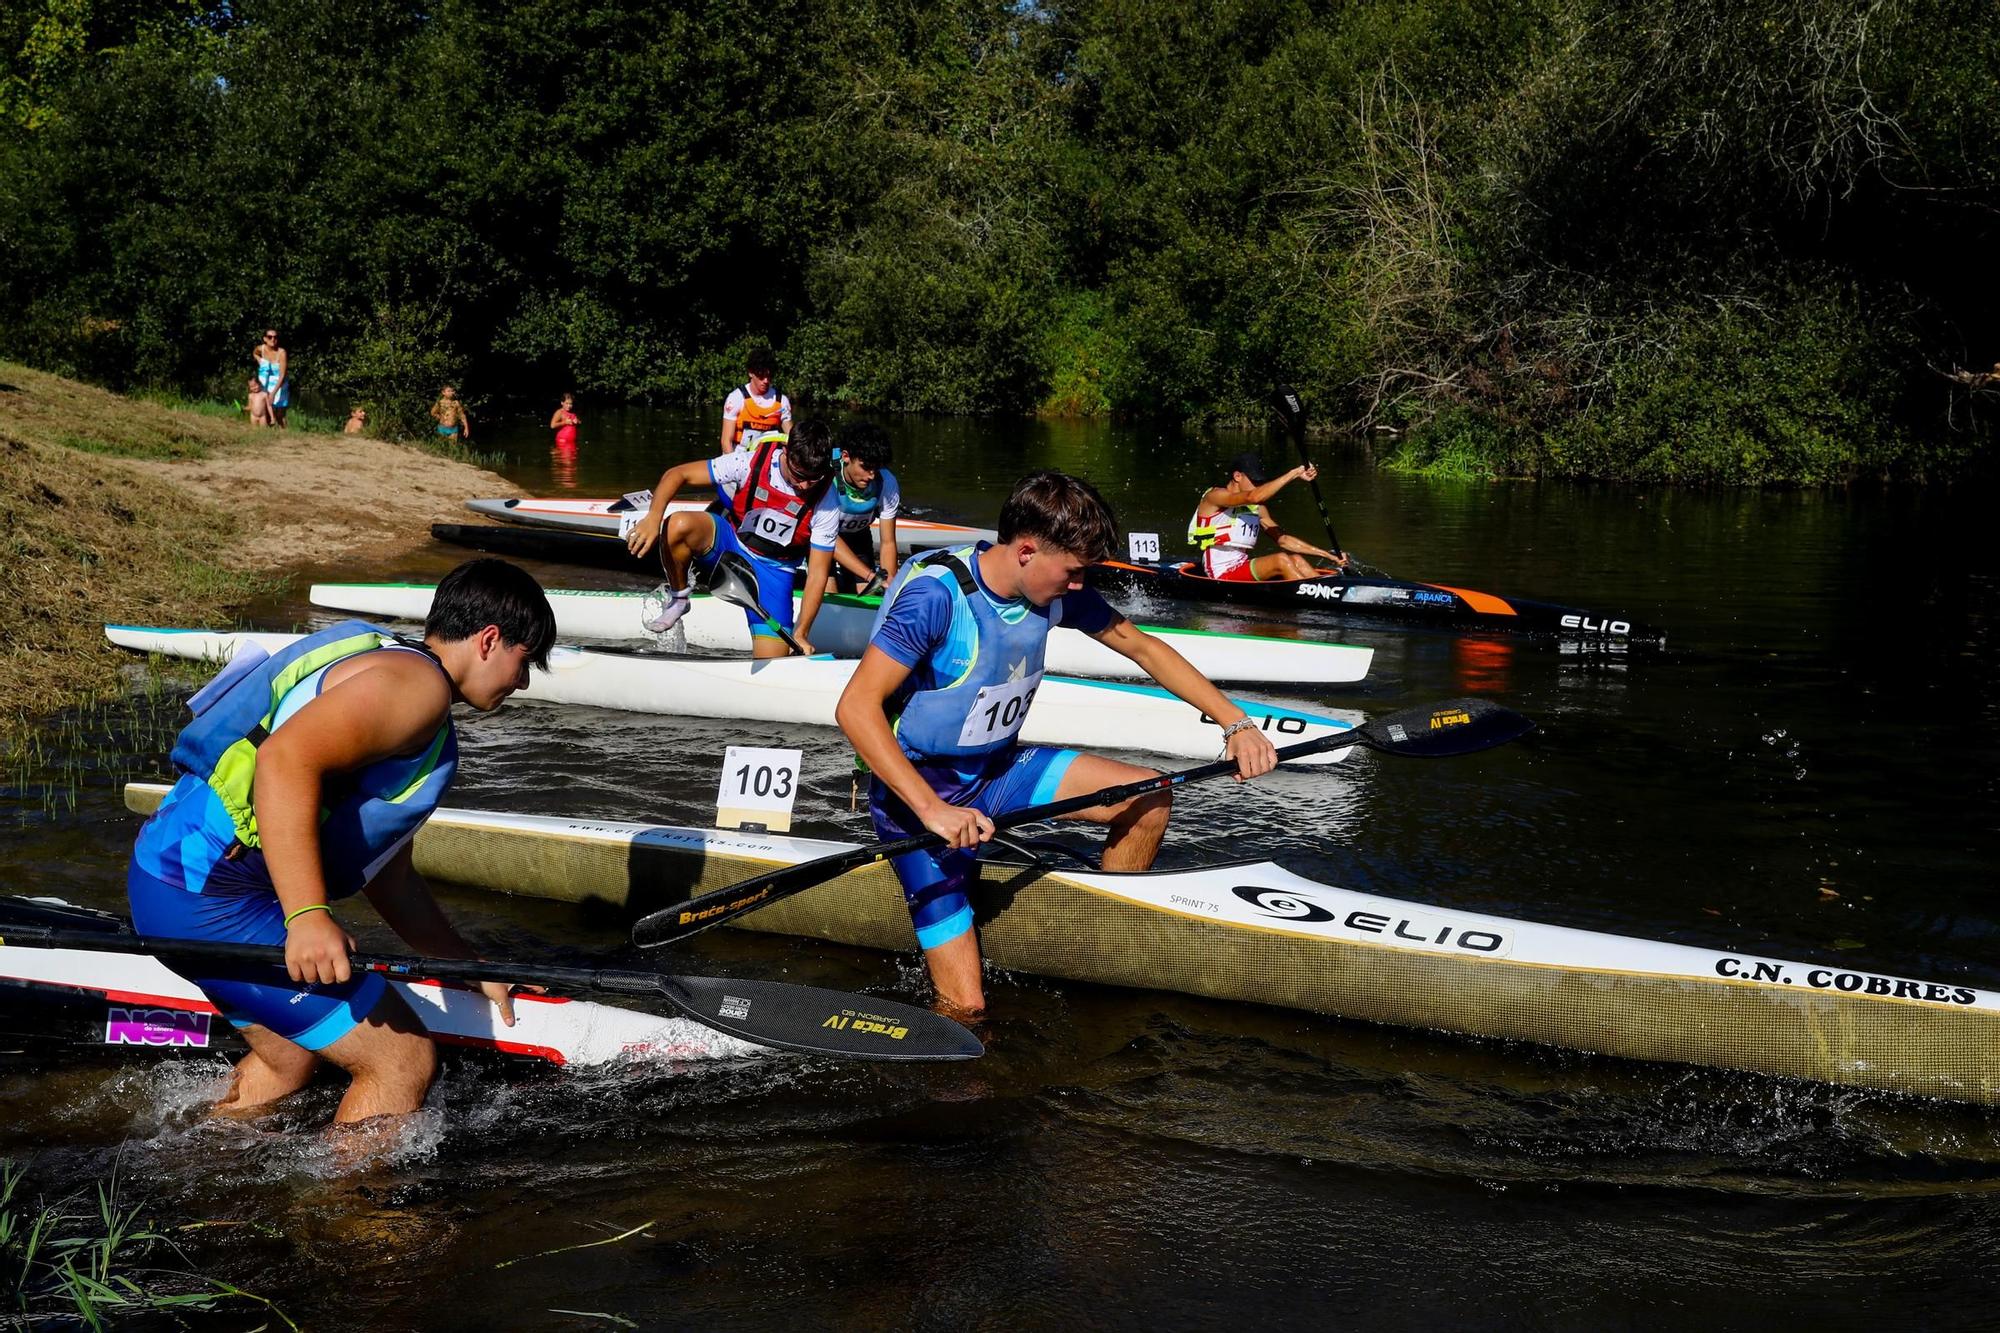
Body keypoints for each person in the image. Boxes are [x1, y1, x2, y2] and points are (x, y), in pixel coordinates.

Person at [126, 559, 557, 1126]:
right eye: (525, 663)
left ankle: (191, 1167)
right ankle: (350, 1216)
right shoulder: (416, 690)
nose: (521, 684)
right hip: (208, 896)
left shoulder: (387, 663)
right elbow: (284, 761)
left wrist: (466, 964)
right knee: (400, 1061)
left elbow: (391, 879)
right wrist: (308, 916)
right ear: (490, 640)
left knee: (289, 1060)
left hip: (169, 880)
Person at [834, 471, 1280, 1017]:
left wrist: (1235, 723)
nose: (1079, 585)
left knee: (1148, 798)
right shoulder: (934, 597)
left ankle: (1102, 944)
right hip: (920, 794)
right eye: (1073, 571)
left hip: (997, 770)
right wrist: (933, 811)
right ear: (1026, 551)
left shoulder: (1055, 592)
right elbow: (855, 708)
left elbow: (1143, 648)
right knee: (967, 1009)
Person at [624, 418, 841, 657]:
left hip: (775, 572)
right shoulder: (749, 462)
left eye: (814, 478)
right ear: (786, 452)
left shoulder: (827, 499)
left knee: (772, 662)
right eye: (799, 475)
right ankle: (679, 598)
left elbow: (818, 573)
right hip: (730, 546)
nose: (805, 485)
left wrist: (802, 632)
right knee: (678, 524)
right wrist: (654, 518)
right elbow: (678, 474)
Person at [1187, 451, 1344, 582]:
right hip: (1218, 572)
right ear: (1237, 476)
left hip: (1240, 565)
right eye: (1255, 481)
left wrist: (1328, 555)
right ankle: (1312, 601)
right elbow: (1253, 497)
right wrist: (1294, 473)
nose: (1258, 485)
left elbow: (1283, 540)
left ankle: (1328, 593)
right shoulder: (1215, 496)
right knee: (1280, 560)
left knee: (1296, 560)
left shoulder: (1256, 508)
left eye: (1260, 482)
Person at [827, 421, 900, 595]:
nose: (871, 476)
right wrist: (870, 575)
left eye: (876, 468)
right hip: (820, 540)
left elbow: (888, 542)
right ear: (846, 457)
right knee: (828, 589)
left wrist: (889, 586)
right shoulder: (826, 476)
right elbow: (827, 537)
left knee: (868, 593)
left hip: (858, 538)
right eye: (865, 467)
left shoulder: (887, 482)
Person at [719, 346, 792, 453]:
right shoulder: (736, 398)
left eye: (769, 376)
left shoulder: (782, 401)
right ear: (750, 373)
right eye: (761, 376)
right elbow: (726, 442)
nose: (766, 381)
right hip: (739, 455)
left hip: (767, 457)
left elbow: (792, 438)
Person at [253, 329, 289, 429]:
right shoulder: (261, 349)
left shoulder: (282, 353)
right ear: (265, 339)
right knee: (267, 410)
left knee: (280, 414)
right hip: (266, 382)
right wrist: (260, 360)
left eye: (275, 337)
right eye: (270, 337)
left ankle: (285, 434)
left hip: (280, 384)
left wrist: (273, 393)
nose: (273, 339)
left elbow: (282, 375)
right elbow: (255, 353)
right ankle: (269, 435)